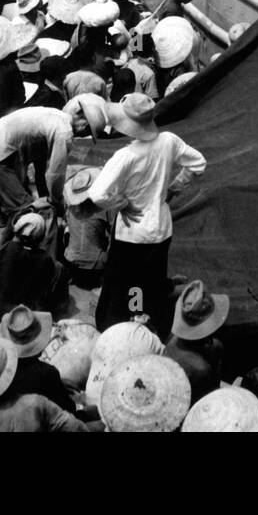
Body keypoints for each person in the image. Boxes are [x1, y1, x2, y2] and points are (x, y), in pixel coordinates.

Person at [79, 92, 207, 334]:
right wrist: (173, 189)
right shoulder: (169, 141)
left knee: (121, 285)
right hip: (160, 226)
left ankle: (115, 329)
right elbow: (198, 163)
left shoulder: (126, 156)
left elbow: (96, 195)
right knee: (154, 283)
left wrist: (123, 202)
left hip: (131, 233)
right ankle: (155, 326)